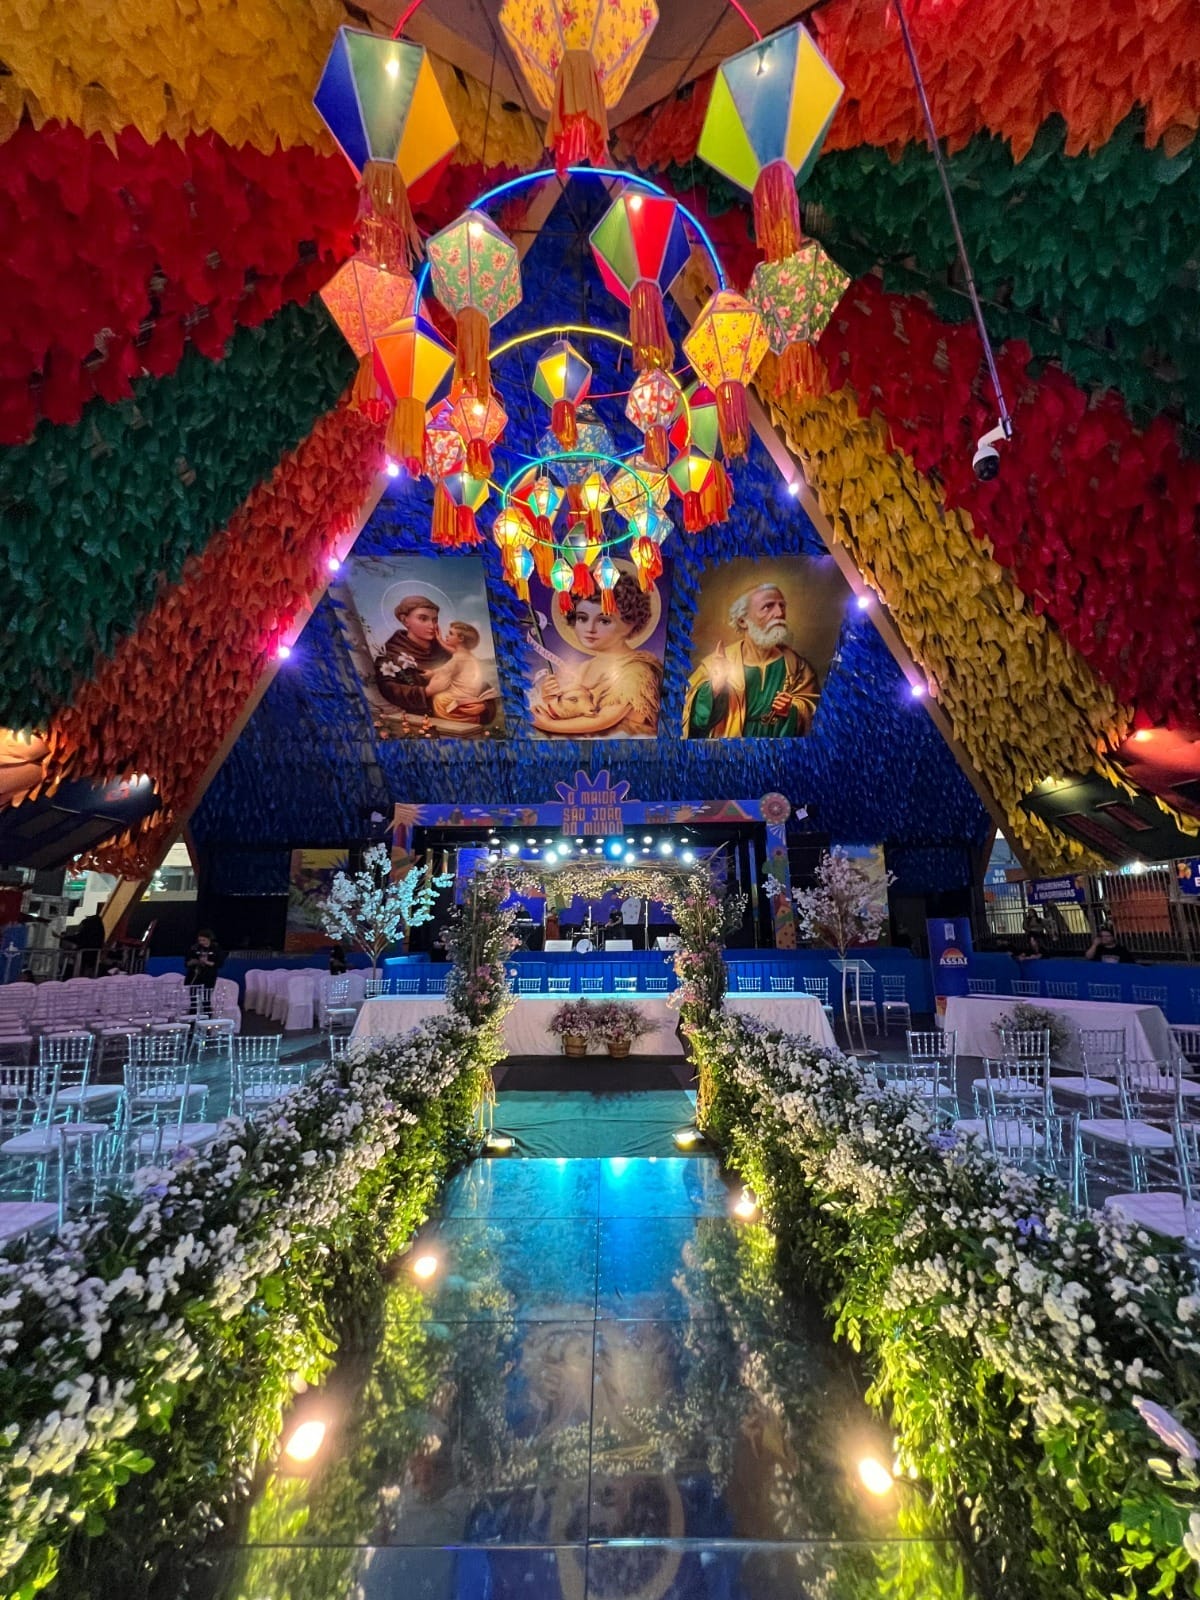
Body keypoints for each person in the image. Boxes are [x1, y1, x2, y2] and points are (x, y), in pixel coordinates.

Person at [530, 575, 663, 738]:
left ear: (630, 623)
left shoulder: (637, 671)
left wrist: (549, 725)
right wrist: (552, 697)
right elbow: (574, 707)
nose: (590, 628)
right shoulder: (585, 667)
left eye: (604, 621)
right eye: (582, 618)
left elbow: (605, 719)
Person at [683, 582, 819, 739]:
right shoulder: (717, 664)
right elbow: (690, 718)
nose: (779, 613)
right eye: (768, 606)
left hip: (780, 750)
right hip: (734, 750)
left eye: (782, 606)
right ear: (743, 621)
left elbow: (814, 713)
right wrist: (714, 689)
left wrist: (792, 710)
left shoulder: (797, 666)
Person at [423, 621, 498, 720]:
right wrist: (440, 640)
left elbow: (444, 670)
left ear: (461, 638)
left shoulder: (458, 659)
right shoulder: (466, 654)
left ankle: (463, 718)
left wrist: (432, 673)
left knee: (438, 699)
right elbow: (453, 651)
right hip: (470, 693)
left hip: (461, 695)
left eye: (451, 633)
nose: (447, 635)